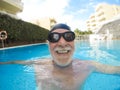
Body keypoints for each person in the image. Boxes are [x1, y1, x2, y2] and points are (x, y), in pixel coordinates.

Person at [0, 23, 120, 90]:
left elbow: (116, 70)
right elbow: (15, 62)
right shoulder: (38, 63)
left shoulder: (89, 65)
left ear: (74, 42)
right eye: (54, 37)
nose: (62, 43)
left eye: (68, 36)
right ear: (48, 45)